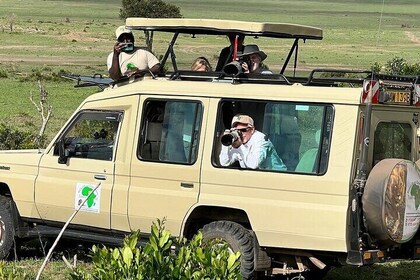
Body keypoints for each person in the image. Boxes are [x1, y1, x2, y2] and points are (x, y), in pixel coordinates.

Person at [219, 114, 287, 170]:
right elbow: (224, 163)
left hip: (276, 177)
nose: (240, 134)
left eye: (243, 130)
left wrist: (240, 145)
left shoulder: (261, 140)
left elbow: (253, 164)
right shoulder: (238, 141)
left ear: (252, 130)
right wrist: (226, 143)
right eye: (237, 131)